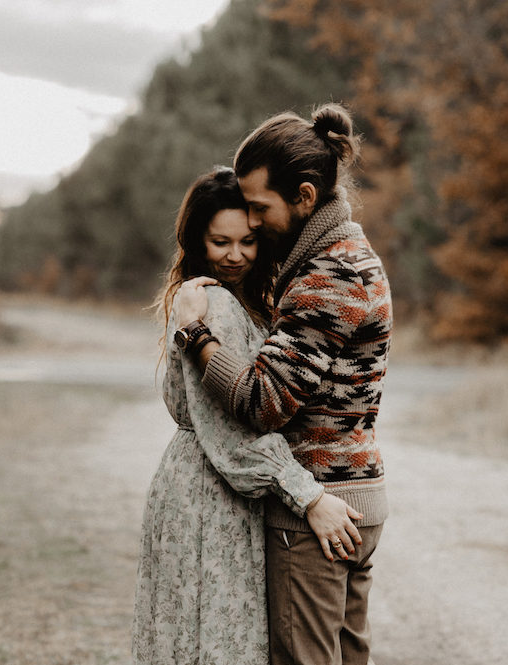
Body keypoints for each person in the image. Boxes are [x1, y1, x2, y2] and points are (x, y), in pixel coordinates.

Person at [175, 104, 392, 665]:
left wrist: (197, 335)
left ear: (303, 197)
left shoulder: (328, 274)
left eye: (258, 207)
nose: (250, 222)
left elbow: (263, 401)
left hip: (318, 510)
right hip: (356, 496)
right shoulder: (349, 257)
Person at [131, 166, 356, 665]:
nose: (235, 255)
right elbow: (231, 431)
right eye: (220, 242)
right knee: (217, 643)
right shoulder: (214, 305)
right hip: (211, 493)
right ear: (197, 241)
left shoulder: (233, 301)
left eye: (248, 241)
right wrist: (309, 496)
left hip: (205, 487)